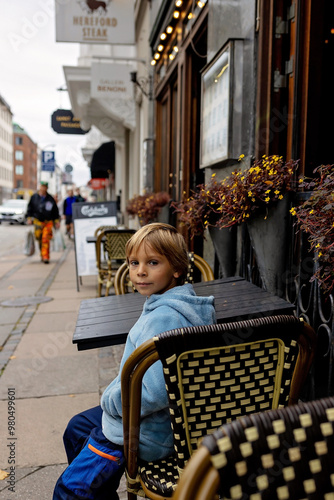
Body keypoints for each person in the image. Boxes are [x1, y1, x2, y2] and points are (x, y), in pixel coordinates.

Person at [53, 223, 216, 500]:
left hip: (145, 429)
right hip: (162, 418)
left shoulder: (166, 319)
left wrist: (110, 399)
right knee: (77, 427)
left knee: (70, 490)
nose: (140, 271)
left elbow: (152, 393)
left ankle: (92, 484)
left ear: (176, 269)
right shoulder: (178, 304)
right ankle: (100, 487)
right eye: (134, 263)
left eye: (152, 262)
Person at [27, 181, 60, 264]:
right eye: (42, 186)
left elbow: (55, 211)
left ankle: (46, 257)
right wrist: (29, 218)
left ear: (47, 188)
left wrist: (56, 221)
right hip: (37, 222)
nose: (43, 188)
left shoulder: (50, 198)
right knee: (39, 238)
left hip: (48, 222)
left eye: (45, 187)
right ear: (40, 187)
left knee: (45, 238)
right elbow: (29, 208)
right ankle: (42, 254)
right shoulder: (34, 197)